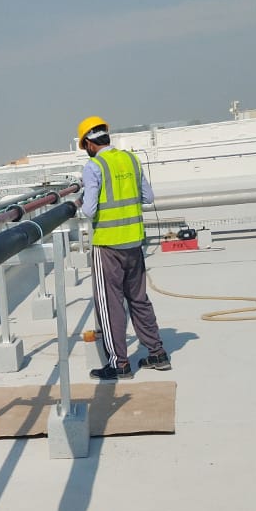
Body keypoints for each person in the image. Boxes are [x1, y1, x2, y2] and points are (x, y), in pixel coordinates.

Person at [75, 116, 172, 380]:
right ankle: (157, 353)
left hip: (108, 245)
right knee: (138, 299)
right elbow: (148, 197)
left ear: (88, 144)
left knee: (110, 305)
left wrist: (79, 202)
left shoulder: (93, 166)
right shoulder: (131, 159)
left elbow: (89, 210)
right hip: (134, 242)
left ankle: (119, 364)